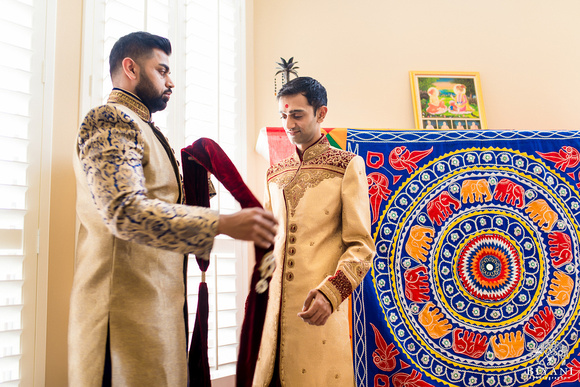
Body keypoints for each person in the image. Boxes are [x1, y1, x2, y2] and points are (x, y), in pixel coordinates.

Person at [69, 32, 277, 387]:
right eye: (162, 70)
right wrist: (222, 223)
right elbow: (125, 212)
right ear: (130, 68)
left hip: (158, 312)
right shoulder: (110, 120)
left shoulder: (147, 130)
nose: (171, 81)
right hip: (120, 321)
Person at [253, 77, 375, 386]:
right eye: (283, 115)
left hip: (319, 312)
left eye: (297, 114)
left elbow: (361, 246)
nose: (289, 124)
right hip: (272, 322)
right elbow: (268, 242)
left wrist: (332, 293)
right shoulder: (274, 173)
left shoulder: (347, 166)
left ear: (321, 114)